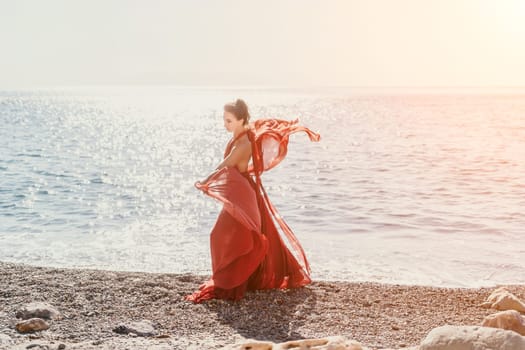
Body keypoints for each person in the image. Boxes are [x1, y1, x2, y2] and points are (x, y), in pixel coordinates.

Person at [185, 98, 320, 303]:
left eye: (229, 120)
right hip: (240, 192)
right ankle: (241, 278)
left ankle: (231, 281)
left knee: (229, 236)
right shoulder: (243, 134)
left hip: (243, 195)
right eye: (224, 120)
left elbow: (224, 165)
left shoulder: (244, 143)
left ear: (240, 120)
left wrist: (203, 182)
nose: (225, 124)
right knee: (234, 235)